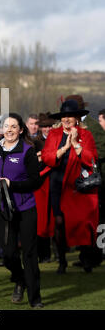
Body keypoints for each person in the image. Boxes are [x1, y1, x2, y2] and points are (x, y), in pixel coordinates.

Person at [0, 113, 43, 309]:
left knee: (29, 254)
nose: (9, 130)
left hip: (26, 208)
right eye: (6, 126)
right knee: (8, 254)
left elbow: (36, 181)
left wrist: (12, 184)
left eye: (13, 126)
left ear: (20, 130)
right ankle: (20, 280)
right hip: (2, 209)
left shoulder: (27, 150)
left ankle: (35, 299)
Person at [41, 99, 99, 274]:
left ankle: (86, 259)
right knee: (59, 222)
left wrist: (75, 144)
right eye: (64, 116)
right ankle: (62, 261)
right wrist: (65, 147)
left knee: (82, 223)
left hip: (78, 186)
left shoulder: (86, 135)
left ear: (77, 118)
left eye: (70, 116)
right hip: (57, 184)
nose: (66, 119)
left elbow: (91, 159)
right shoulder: (54, 134)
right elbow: (47, 157)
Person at [65, 95, 105, 268]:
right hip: (79, 181)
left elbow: (102, 150)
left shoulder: (93, 126)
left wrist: (84, 155)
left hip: (94, 180)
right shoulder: (73, 126)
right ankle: (85, 255)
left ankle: (94, 256)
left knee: (96, 219)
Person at [33, 113, 57, 263]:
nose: (47, 129)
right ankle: (44, 254)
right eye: (44, 126)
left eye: (49, 126)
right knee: (41, 219)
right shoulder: (34, 142)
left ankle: (59, 254)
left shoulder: (59, 140)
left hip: (57, 182)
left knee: (57, 219)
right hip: (41, 185)